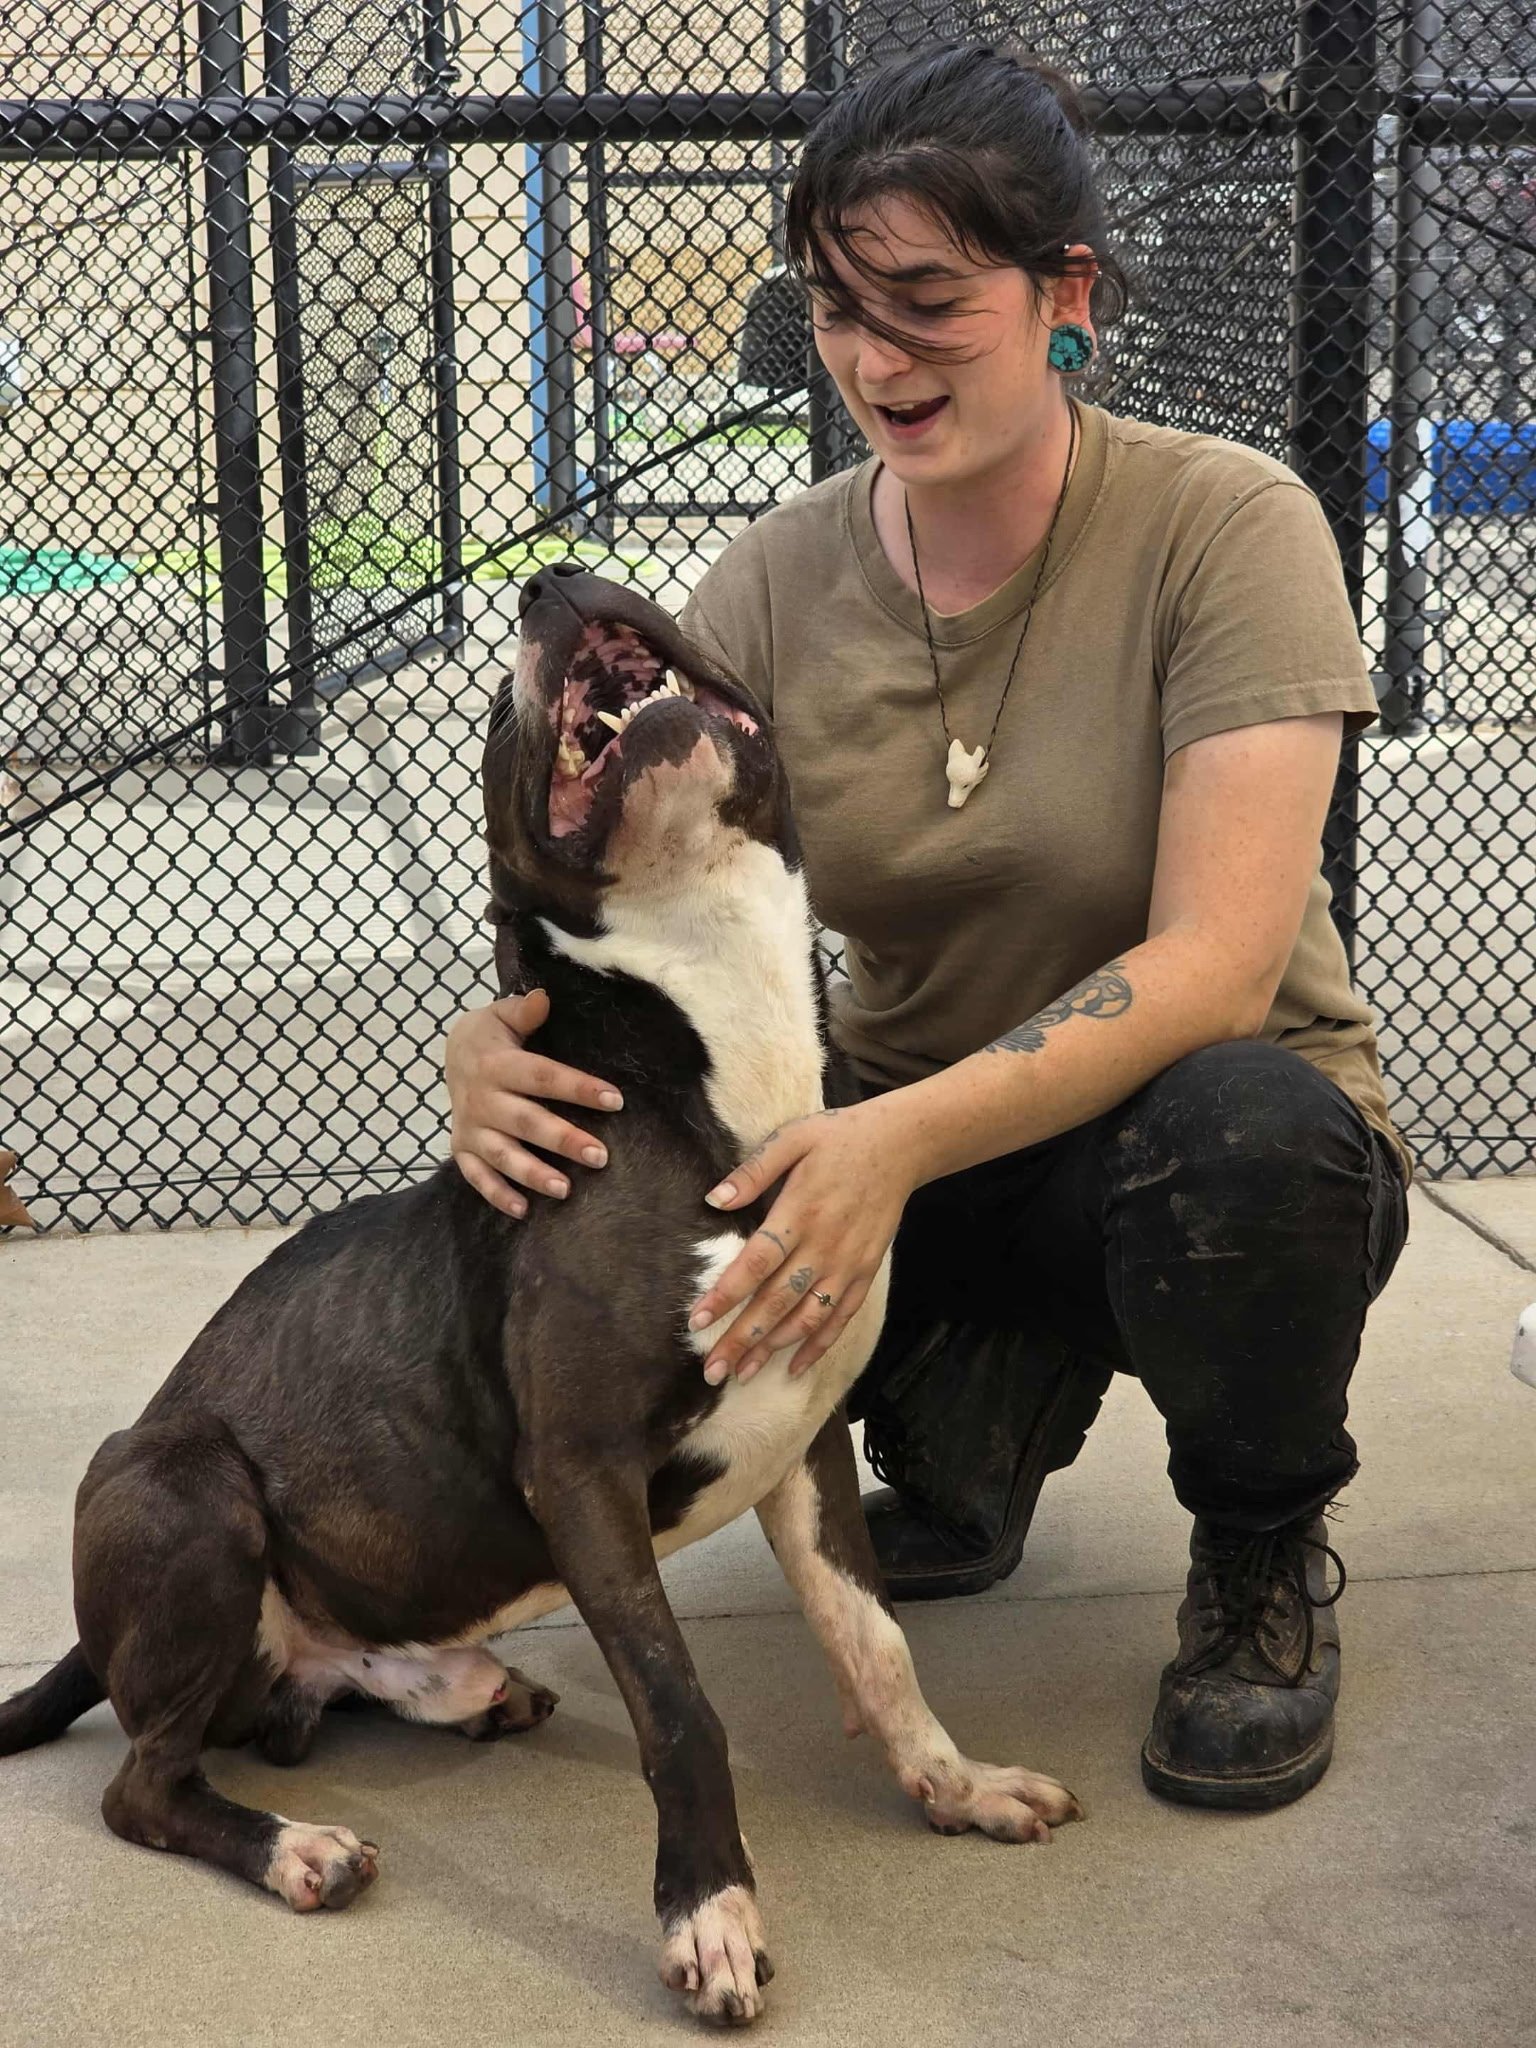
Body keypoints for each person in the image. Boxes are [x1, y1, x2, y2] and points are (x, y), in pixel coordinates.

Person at [444, 41, 1411, 1812]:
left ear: (1066, 294)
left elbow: (1219, 963)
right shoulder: (774, 577)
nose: (877, 360)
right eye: (837, 308)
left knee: (1245, 1140)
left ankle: (1263, 1554)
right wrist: (488, 1057)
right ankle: (972, 1433)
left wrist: (882, 1150)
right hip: (910, 1142)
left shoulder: (1226, 524)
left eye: (930, 304)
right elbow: (602, 878)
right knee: (674, 1198)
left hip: (1187, 1143)